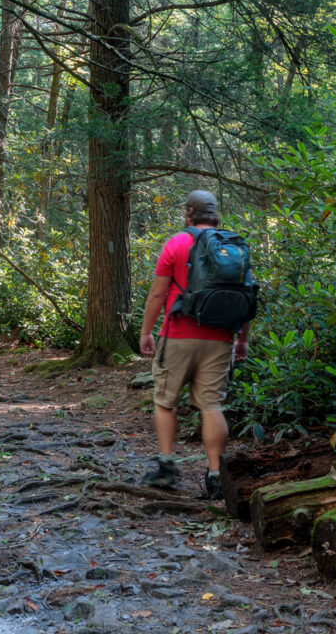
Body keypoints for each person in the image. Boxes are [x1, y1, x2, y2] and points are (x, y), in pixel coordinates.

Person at [139, 190, 249, 498]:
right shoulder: (233, 246)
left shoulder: (177, 243)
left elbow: (158, 294)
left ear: (189, 212)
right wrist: (242, 340)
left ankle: (166, 467)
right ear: (215, 214)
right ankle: (215, 476)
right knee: (212, 405)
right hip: (221, 337)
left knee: (165, 401)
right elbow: (247, 298)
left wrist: (146, 332)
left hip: (177, 335)